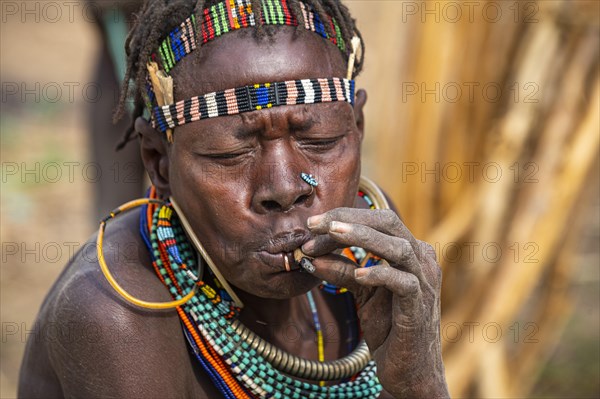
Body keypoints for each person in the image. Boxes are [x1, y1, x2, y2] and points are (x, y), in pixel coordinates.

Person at [19, 0, 449, 397]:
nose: (285, 189)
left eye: (320, 141)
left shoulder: (368, 251)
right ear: (158, 162)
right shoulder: (119, 316)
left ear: (356, 126)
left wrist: (419, 382)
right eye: (231, 154)